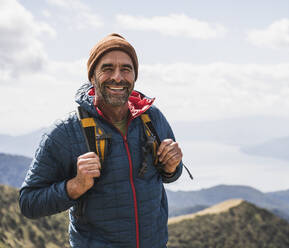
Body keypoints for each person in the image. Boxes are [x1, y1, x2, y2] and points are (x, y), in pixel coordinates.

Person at [19, 33, 183, 248]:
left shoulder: (152, 118)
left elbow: (169, 174)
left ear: (134, 76)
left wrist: (172, 167)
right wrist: (75, 186)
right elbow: (29, 202)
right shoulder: (65, 132)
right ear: (92, 76)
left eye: (126, 68)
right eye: (107, 68)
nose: (118, 77)